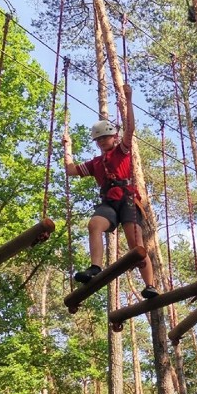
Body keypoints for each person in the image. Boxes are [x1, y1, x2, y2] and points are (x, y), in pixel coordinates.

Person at [62, 84, 158, 298]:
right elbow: (70, 170)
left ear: (114, 137)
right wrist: (67, 148)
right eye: (99, 139)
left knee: (137, 247)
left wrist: (129, 99)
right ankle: (95, 267)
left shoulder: (121, 152)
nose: (103, 141)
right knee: (94, 224)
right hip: (108, 202)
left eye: (106, 137)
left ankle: (150, 285)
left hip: (126, 199)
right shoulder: (96, 163)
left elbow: (130, 129)